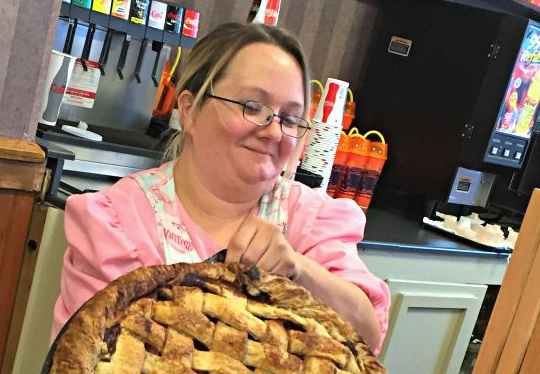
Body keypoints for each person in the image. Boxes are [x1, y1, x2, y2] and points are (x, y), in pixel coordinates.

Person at [52, 22, 390, 351]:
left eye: (289, 118)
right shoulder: (120, 223)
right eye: (252, 107)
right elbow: (81, 364)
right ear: (190, 110)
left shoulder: (308, 219)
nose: (273, 131)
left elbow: (367, 337)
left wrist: (300, 271)